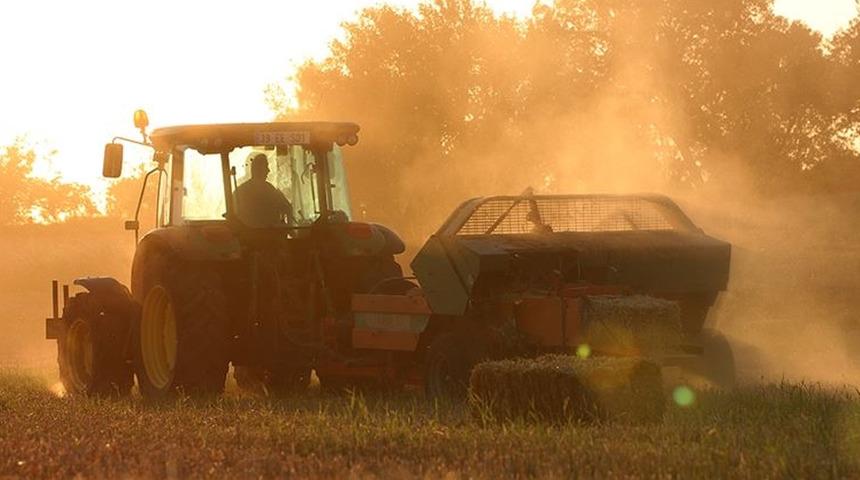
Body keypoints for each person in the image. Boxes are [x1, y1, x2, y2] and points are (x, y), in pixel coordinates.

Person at [234, 154, 294, 227]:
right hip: (269, 237)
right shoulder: (271, 191)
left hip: (248, 237)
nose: (268, 170)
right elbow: (288, 208)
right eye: (266, 167)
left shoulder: (239, 192)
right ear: (258, 169)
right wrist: (289, 229)